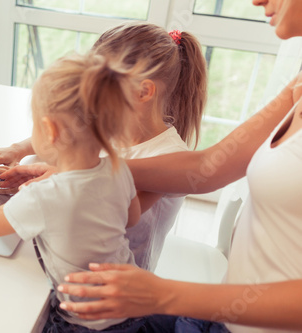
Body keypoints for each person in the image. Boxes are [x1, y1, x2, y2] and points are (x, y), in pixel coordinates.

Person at [55, 0, 302, 332]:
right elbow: (207, 168)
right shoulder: (297, 85)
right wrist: (77, 170)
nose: (256, 1)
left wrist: (163, 295)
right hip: (222, 319)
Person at [0, 22, 208, 272]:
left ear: (144, 91)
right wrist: (19, 149)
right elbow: (72, 130)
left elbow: (111, 210)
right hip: (83, 263)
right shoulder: (113, 124)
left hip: (120, 285)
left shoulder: (170, 159)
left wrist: (54, 185)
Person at [0, 52, 142, 332]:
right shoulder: (118, 169)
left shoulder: (45, 195)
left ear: (48, 130)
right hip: (130, 305)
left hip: (84, 322)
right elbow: (131, 218)